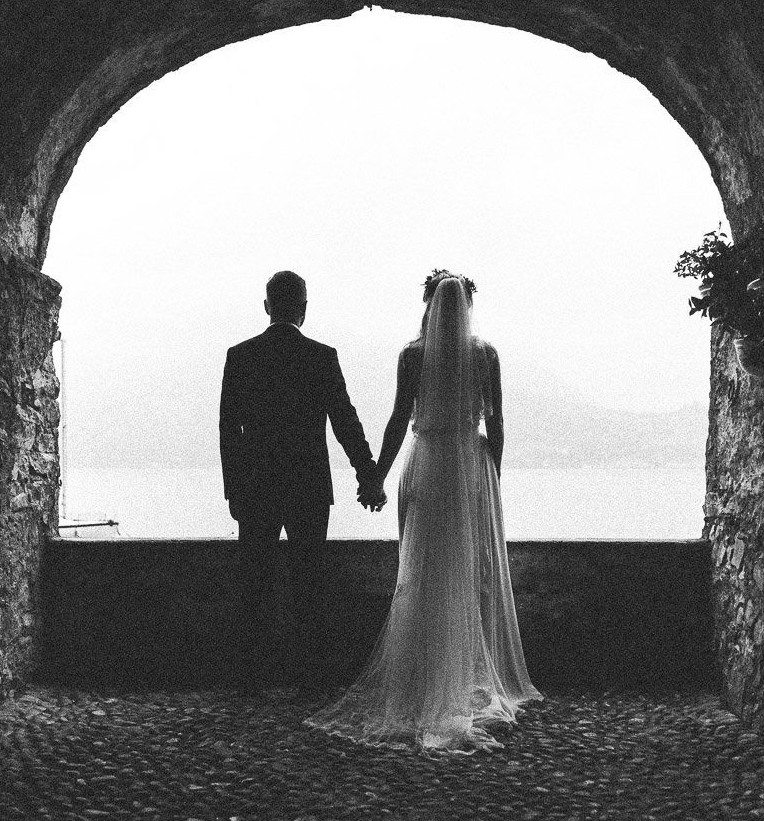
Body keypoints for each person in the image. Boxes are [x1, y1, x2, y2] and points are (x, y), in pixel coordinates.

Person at [306, 271, 541, 751]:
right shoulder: (485, 356)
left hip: (427, 463)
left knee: (420, 573)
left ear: (428, 305)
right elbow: (495, 421)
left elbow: (397, 417)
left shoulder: (412, 356)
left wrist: (376, 475)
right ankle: (466, 677)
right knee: (471, 574)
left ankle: (420, 680)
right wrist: (490, 474)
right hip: (469, 467)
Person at [220, 270, 387, 687]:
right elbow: (345, 422)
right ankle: (310, 677)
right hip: (308, 487)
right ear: (304, 309)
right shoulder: (321, 356)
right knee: (309, 583)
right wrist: (368, 474)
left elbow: (228, 432)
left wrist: (233, 490)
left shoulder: (240, 356)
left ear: (266, 306)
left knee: (254, 583)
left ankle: (250, 677)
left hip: (255, 488)